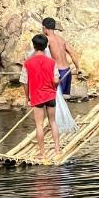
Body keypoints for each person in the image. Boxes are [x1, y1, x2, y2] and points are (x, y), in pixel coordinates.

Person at [22, 33, 61, 161]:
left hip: (37, 96)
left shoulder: (27, 63)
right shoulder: (52, 62)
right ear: (46, 47)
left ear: (34, 46)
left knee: (39, 125)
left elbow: (24, 82)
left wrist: (27, 97)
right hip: (50, 95)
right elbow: (56, 80)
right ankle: (57, 149)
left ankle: (42, 153)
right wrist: (56, 84)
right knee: (53, 122)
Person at [41, 17, 81, 96]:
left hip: (58, 73)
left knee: (56, 100)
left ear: (44, 28)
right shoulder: (61, 39)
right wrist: (78, 68)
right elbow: (72, 53)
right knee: (65, 99)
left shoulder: (47, 39)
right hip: (67, 71)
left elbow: (42, 54)